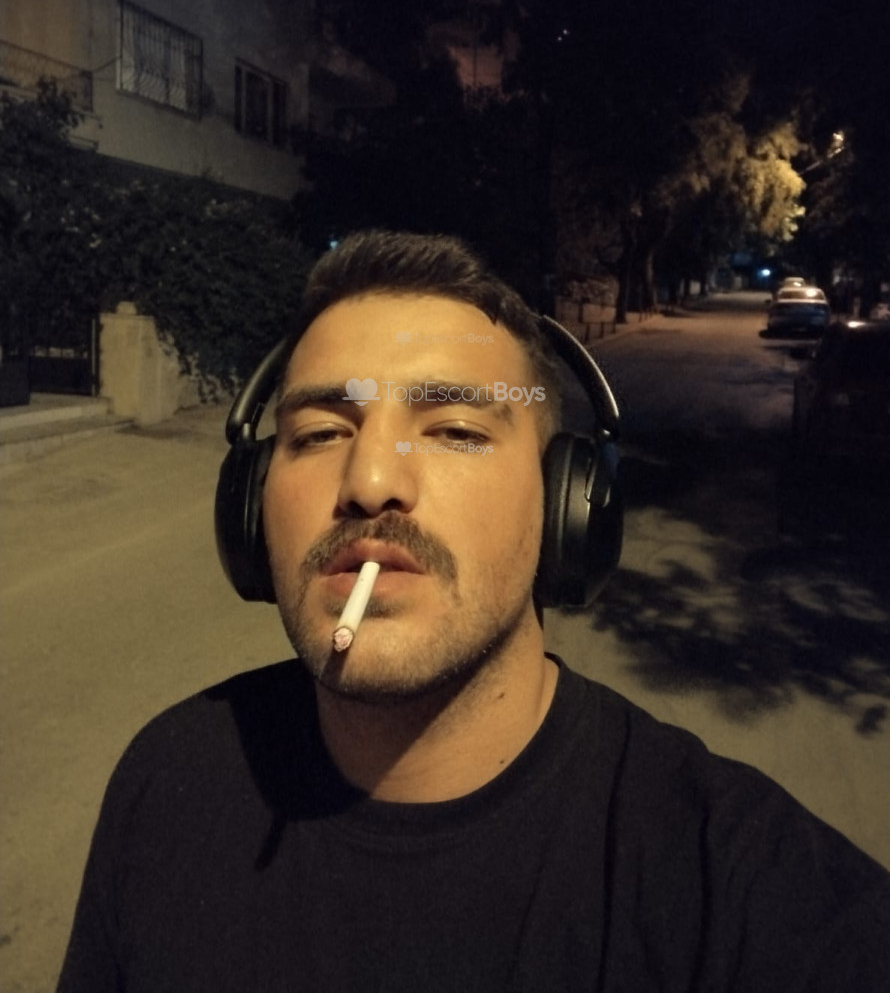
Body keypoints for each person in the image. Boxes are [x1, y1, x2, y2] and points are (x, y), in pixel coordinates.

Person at [57, 231, 890, 992]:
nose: (370, 481)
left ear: (567, 505)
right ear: (250, 503)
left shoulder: (739, 885)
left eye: (454, 430)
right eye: (319, 433)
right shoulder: (167, 782)